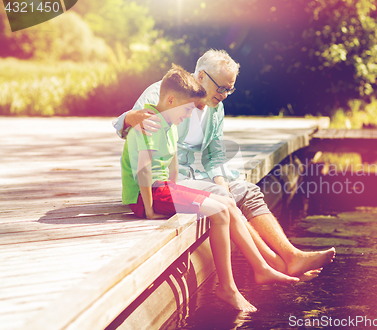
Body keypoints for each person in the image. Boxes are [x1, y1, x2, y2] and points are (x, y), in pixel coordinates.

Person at [114, 49, 335, 279]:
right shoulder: (165, 92)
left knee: (248, 191)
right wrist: (130, 118)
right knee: (226, 201)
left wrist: (223, 185)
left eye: (230, 88)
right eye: (222, 87)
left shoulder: (216, 107)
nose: (226, 94)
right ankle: (275, 264)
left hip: (192, 175)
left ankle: (291, 256)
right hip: (165, 182)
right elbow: (131, 131)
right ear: (201, 76)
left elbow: (215, 154)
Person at [121, 65, 299, 311]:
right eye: (186, 110)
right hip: (147, 196)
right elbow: (144, 171)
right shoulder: (149, 124)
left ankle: (255, 272)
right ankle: (228, 288)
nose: (188, 115)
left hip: (165, 189)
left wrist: (181, 192)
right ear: (171, 99)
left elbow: (171, 163)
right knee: (219, 211)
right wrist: (150, 211)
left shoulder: (169, 122)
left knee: (226, 203)